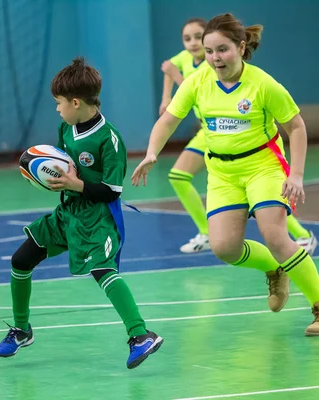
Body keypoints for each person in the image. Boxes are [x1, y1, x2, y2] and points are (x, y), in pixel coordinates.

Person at [132, 13, 319, 335]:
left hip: (263, 165)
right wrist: (152, 152)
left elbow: (297, 126)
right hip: (222, 172)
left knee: (275, 235)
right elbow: (168, 121)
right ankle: (275, 269)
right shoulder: (197, 82)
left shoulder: (262, 84)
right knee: (224, 248)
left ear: (241, 47)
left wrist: (297, 174)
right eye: (209, 51)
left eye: (222, 50)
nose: (215, 58)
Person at [0, 58, 163, 369]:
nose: (57, 109)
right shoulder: (66, 129)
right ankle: (21, 330)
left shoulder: (109, 140)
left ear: (75, 101)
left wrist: (76, 183)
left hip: (98, 219)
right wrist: (46, 180)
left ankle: (140, 335)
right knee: (21, 260)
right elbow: (63, 169)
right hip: (67, 213)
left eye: (59, 103)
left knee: (103, 271)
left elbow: (112, 191)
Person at [160, 18, 317, 255]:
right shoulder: (184, 59)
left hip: (243, 141)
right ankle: (207, 231)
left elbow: (190, 86)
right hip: (210, 131)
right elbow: (170, 73)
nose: (193, 43)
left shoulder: (217, 66)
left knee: (271, 225)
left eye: (197, 37)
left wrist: (296, 174)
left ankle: (300, 236)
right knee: (178, 176)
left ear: (239, 47)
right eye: (187, 38)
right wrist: (165, 98)